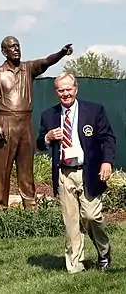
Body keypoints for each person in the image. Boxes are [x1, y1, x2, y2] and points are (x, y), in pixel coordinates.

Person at [36, 72, 116, 273]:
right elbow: (39, 143)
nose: (65, 93)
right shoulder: (49, 115)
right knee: (70, 222)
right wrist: (46, 137)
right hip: (64, 173)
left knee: (91, 216)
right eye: (61, 90)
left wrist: (107, 162)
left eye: (68, 89)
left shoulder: (94, 111)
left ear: (76, 89)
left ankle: (104, 250)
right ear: (56, 92)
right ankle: (75, 266)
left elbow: (108, 138)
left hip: (88, 171)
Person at [0, 36, 73, 209]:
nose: (16, 49)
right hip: (5, 121)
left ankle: (30, 207)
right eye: (12, 47)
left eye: (18, 45)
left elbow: (46, 61)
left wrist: (61, 53)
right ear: (4, 51)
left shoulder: (28, 68)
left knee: (26, 168)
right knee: (2, 169)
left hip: (25, 122)